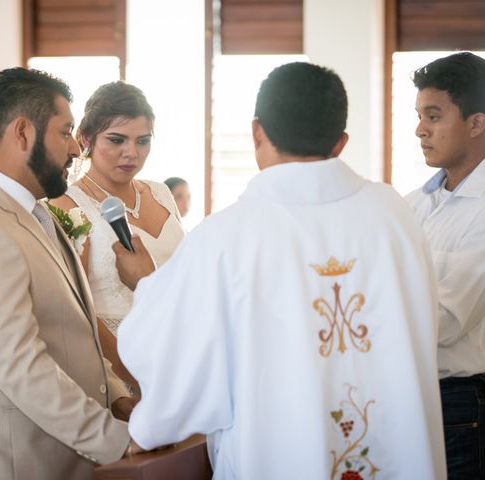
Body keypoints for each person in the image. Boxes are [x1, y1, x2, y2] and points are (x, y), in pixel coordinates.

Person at [114, 62, 446, 478]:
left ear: (257, 133)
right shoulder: (394, 214)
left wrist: (149, 427)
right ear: (341, 142)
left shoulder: (226, 236)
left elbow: (173, 356)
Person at [0, 67, 134, 479]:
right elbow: (20, 366)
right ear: (22, 133)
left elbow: (66, 332)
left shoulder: (31, 210)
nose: (76, 147)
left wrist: (117, 398)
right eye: (65, 131)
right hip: (14, 463)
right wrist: (116, 440)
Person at [50, 81, 185, 390]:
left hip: (179, 352)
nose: (131, 153)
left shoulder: (162, 193)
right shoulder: (65, 206)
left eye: (143, 141)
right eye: (116, 140)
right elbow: (75, 312)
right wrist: (133, 380)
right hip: (120, 369)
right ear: (86, 138)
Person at [406, 51, 485, 479]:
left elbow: (446, 321)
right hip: (405, 394)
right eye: (419, 115)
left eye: (433, 116)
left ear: (476, 122)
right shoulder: (412, 205)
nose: (420, 129)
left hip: (456, 403)